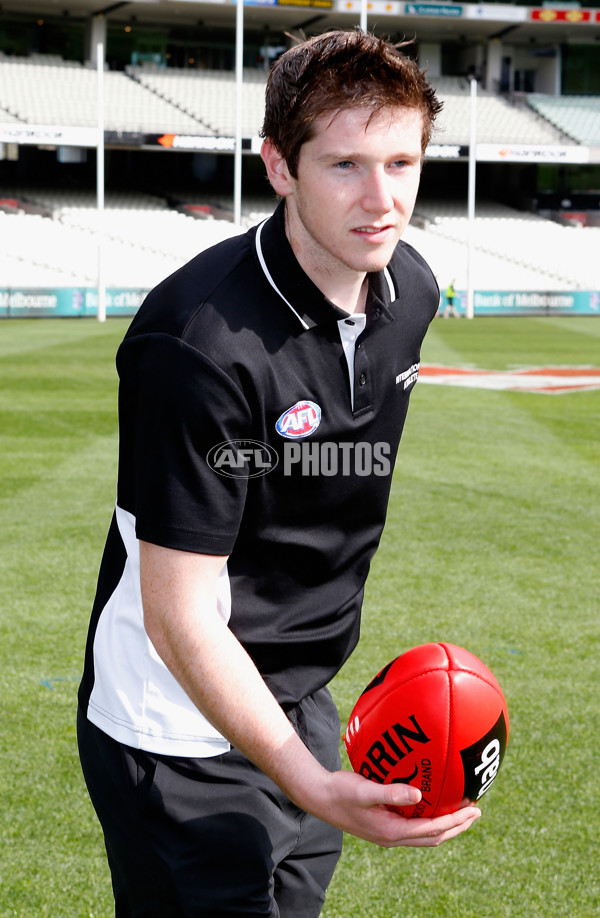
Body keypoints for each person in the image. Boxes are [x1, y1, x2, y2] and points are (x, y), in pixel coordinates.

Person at [77, 29, 481, 918]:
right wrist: (310, 780)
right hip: (178, 724)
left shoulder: (408, 289)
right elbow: (179, 611)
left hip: (300, 699)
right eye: (344, 165)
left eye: (403, 162)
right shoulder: (198, 344)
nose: (382, 201)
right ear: (279, 166)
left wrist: (312, 754)